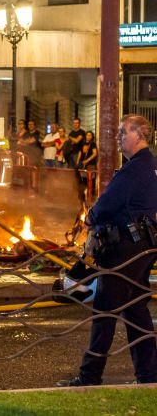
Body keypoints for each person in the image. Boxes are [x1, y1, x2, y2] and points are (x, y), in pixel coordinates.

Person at [58, 114, 157, 386]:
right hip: (143, 248)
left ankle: (90, 377)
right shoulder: (150, 166)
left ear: (138, 134)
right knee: (136, 310)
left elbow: (108, 204)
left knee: (104, 311)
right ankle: (149, 376)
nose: (119, 137)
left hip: (124, 249)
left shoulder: (134, 170)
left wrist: (90, 217)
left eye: (123, 132)